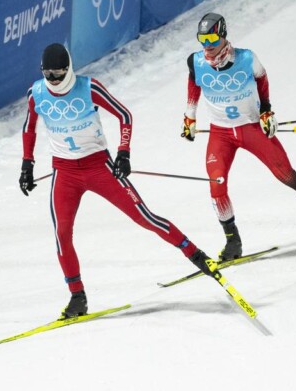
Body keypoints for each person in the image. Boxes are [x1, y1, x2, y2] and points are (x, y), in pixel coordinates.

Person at [20, 43, 218, 319]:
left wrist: (123, 153)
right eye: (48, 74)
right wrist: (26, 164)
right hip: (64, 173)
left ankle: (197, 255)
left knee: (144, 217)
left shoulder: (89, 87)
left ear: (69, 69)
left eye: (58, 73)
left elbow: (124, 115)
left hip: (98, 166)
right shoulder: (36, 93)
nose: (53, 80)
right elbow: (29, 127)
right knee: (62, 235)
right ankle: (77, 297)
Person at [180, 12, 296, 261]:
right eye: (202, 39)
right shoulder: (196, 61)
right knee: (216, 185)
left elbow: (262, 78)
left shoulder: (246, 58)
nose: (207, 45)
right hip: (220, 133)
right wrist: (190, 116)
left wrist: (266, 111)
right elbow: (194, 82)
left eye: (212, 38)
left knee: (287, 175)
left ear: (223, 35)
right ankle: (233, 242)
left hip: (250, 128)